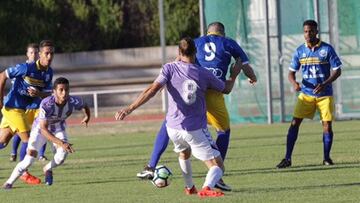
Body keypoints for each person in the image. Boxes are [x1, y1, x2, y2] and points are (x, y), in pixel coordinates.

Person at [137, 21, 257, 191]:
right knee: (223, 130)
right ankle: (217, 174)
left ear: (207, 32)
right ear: (222, 33)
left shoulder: (196, 42)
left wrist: (170, 78)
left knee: (170, 122)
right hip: (214, 90)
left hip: (194, 91)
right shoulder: (229, 43)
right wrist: (252, 77)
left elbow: (179, 60)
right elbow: (244, 66)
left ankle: (151, 166)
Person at [116, 37, 240, 197]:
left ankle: (190, 188)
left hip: (172, 128)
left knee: (184, 153)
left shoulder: (169, 68)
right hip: (195, 130)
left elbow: (152, 90)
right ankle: (207, 187)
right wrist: (234, 74)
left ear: (179, 52)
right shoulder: (203, 74)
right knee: (218, 167)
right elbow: (226, 89)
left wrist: (129, 108)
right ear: (196, 53)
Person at [3, 77, 91, 189]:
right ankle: (9, 183)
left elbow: (85, 105)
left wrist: (87, 116)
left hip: (58, 128)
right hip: (39, 130)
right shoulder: (46, 104)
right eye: (61, 90)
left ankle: (47, 168)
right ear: (54, 91)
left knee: (61, 157)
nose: (64, 93)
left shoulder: (74, 101)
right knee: (29, 159)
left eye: (67, 90)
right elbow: (44, 129)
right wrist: (61, 143)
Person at [276, 20, 342, 168]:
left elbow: (337, 70)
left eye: (311, 31)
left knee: (327, 126)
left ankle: (326, 158)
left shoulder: (327, 49)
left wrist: (325, 83)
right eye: (305, 31)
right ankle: (287, 158)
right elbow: (291, 73)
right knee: (294, 124)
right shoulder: (300, 51)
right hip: (306, 94)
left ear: (317, 31)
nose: (308, 34)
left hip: (325, 95)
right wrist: (294, 84)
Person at [0, 40, 55, 184]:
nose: (49, 57)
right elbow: (2, 76)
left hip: (21, 110)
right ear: (40, 54)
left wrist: (38, 93)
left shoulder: (49, 73)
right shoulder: (26, 68)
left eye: (52, 53)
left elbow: (48, 94)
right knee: (29, 139)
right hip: (12, 108)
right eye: (46, 53)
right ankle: (23, 173)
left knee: (3, 142)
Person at [10, 43, 48, 163]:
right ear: (27, 54)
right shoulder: (22, 68)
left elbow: (46, 89)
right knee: (21, 132)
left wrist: (40, 93)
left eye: (36, 52)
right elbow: (15, 85)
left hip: (38, 106)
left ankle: (41, 155)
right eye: (31, 52)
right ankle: (14, 152)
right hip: (24, 107)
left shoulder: (44, 70)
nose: (34, 55)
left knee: (43, 128)